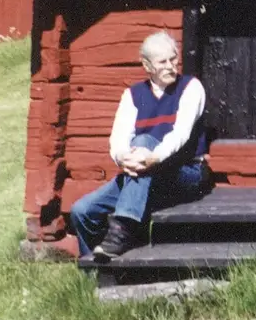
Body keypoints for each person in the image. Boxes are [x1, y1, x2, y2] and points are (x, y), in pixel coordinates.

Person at [70, 31, 209, 260]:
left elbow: (180, 134)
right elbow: (119, 137)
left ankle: (122, 230)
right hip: (142, 173)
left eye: (173, 59)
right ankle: (95, 269)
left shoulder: (191, 88)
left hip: (185, 172)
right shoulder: (132, 95)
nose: (170, 66)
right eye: (162, 62)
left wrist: (154, 157)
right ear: (147, 65)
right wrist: (122, 157)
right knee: (81, 211)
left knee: (143, 141)